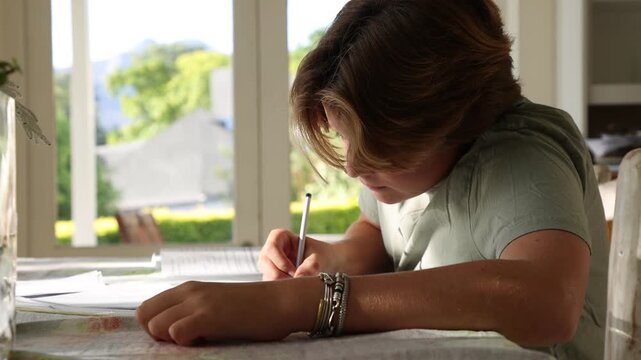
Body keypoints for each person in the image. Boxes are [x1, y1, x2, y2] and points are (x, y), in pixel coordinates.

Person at [136, 1, 608, 359]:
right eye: (346, 142)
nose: (354, 168)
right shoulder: (404, 171)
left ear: (452, 117)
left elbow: (549, 301)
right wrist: (332, 258)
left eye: (377, 148)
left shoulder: (523, 155)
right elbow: (380, 234)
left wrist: (308, 302)